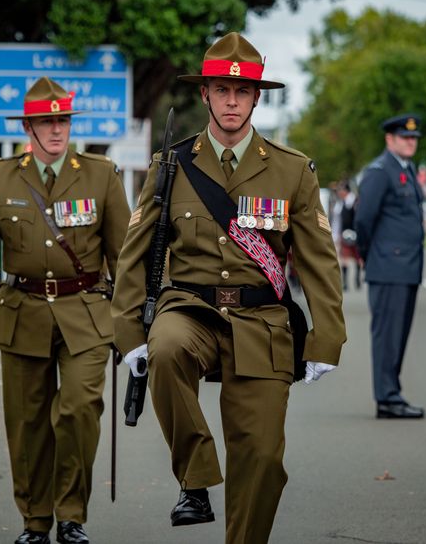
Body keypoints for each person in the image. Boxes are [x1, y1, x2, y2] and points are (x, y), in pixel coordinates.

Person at [111, 32, 346, 544]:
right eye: (221, 90)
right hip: (189, 310)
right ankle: (195, 479)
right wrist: (129, 333)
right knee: (167, 348)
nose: (232, 101)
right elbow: (135, 252)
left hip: (262, 323)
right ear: (205, 95)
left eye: (242, 91)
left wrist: (326, 338)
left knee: (261, 457)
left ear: (257, 97)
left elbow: (319, 264)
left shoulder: (292, 169)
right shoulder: (171, 164)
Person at [0, 76, 130, 544]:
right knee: (27, 422)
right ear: (28, 127)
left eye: (63, 121)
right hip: (22, 311)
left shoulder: (100, 174)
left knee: (79, 409)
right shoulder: (0, 175)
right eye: (45, 122)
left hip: (86, 311)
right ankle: (35, 521)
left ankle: (71, 515)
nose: (56, 130)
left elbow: (123, 253)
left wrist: (131, 318)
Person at [354, 114, 425, 419]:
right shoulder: (380, 172)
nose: (410, 142)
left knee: (399, 335)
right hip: (388, 267)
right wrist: (370, 254)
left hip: (407, 268)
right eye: (404, 137)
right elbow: (363, 220)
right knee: (388, 337)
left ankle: (391, 393)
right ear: (389, 139)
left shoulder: (406, 170)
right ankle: (387, 398)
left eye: (413, 138)